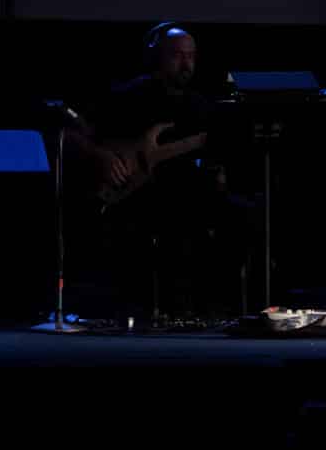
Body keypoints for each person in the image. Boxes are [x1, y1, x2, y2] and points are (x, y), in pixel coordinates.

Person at [64, 24, 225, 320]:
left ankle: (196, 310)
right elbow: (74, 133)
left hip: (183, 197)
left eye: (191, 56)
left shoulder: (199, 105)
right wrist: (100, 157)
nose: (186, 64)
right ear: (156, 57)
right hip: (133, 199)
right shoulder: (127, 96)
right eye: (177, 55)